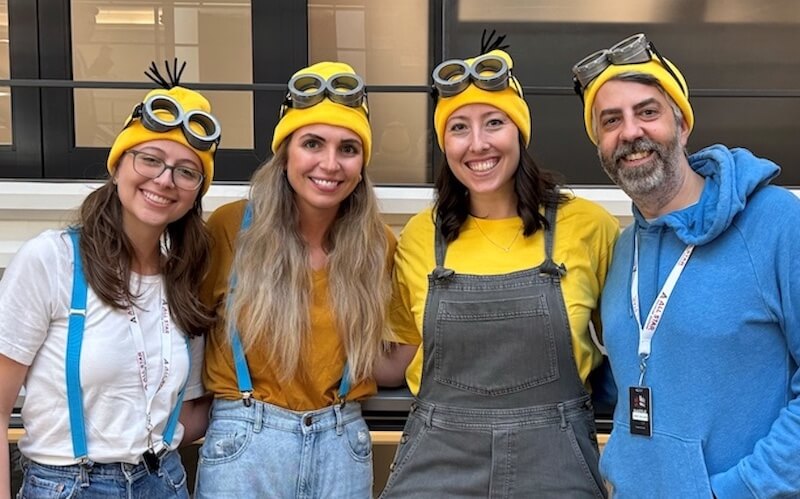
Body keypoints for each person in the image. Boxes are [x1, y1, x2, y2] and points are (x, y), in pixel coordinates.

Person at [379, 34, 619, 498]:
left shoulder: (589, 227)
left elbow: (634, 350)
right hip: (437, 469)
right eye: (458, 127)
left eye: (494, 122)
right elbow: (398, 358)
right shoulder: (420, 235)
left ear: (519, 132)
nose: (478, 144)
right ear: (443, 142)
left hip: (557, 468)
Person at [572, 32, 800, 497]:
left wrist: (738, 489)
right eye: (611, 120)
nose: (630, 132)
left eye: (647, 112)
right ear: (599, 145)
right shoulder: (624, 248)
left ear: (682, 124)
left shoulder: (775, 222)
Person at [0, 60, 220, 498]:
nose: (165, 180)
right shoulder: (53, 260)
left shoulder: (183, 278)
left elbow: (187, 414)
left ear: (196, 190)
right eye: (150, 159)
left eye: (186, 171)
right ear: (118, 165)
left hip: (164, 480)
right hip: (68, 485)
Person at [194, 61, 396, 498]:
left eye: (348, 148)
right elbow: (187, 329)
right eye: (312, 143)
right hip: (244, 444)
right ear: (285, 152)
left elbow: (386, 359)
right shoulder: (231, 229)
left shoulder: (377, 245)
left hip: (341, 443)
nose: (330, 163)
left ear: (362, 163)